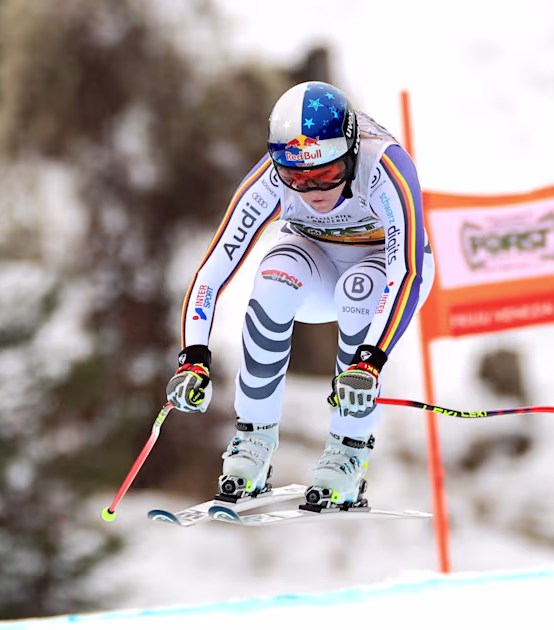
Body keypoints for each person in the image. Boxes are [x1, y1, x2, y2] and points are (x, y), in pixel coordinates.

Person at [165, 81, 434, 510]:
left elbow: (408, 271)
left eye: (326, 174)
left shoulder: (385, 166)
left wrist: (370, 360)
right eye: (295, 178)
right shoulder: (270, 179)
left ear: (350, 151)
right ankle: (253, 443)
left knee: (359, 291)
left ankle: (348, 452)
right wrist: (193, 358)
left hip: (386, 267)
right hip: (316, 261)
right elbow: (211, 272)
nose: (312, 191)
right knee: (273, 278)